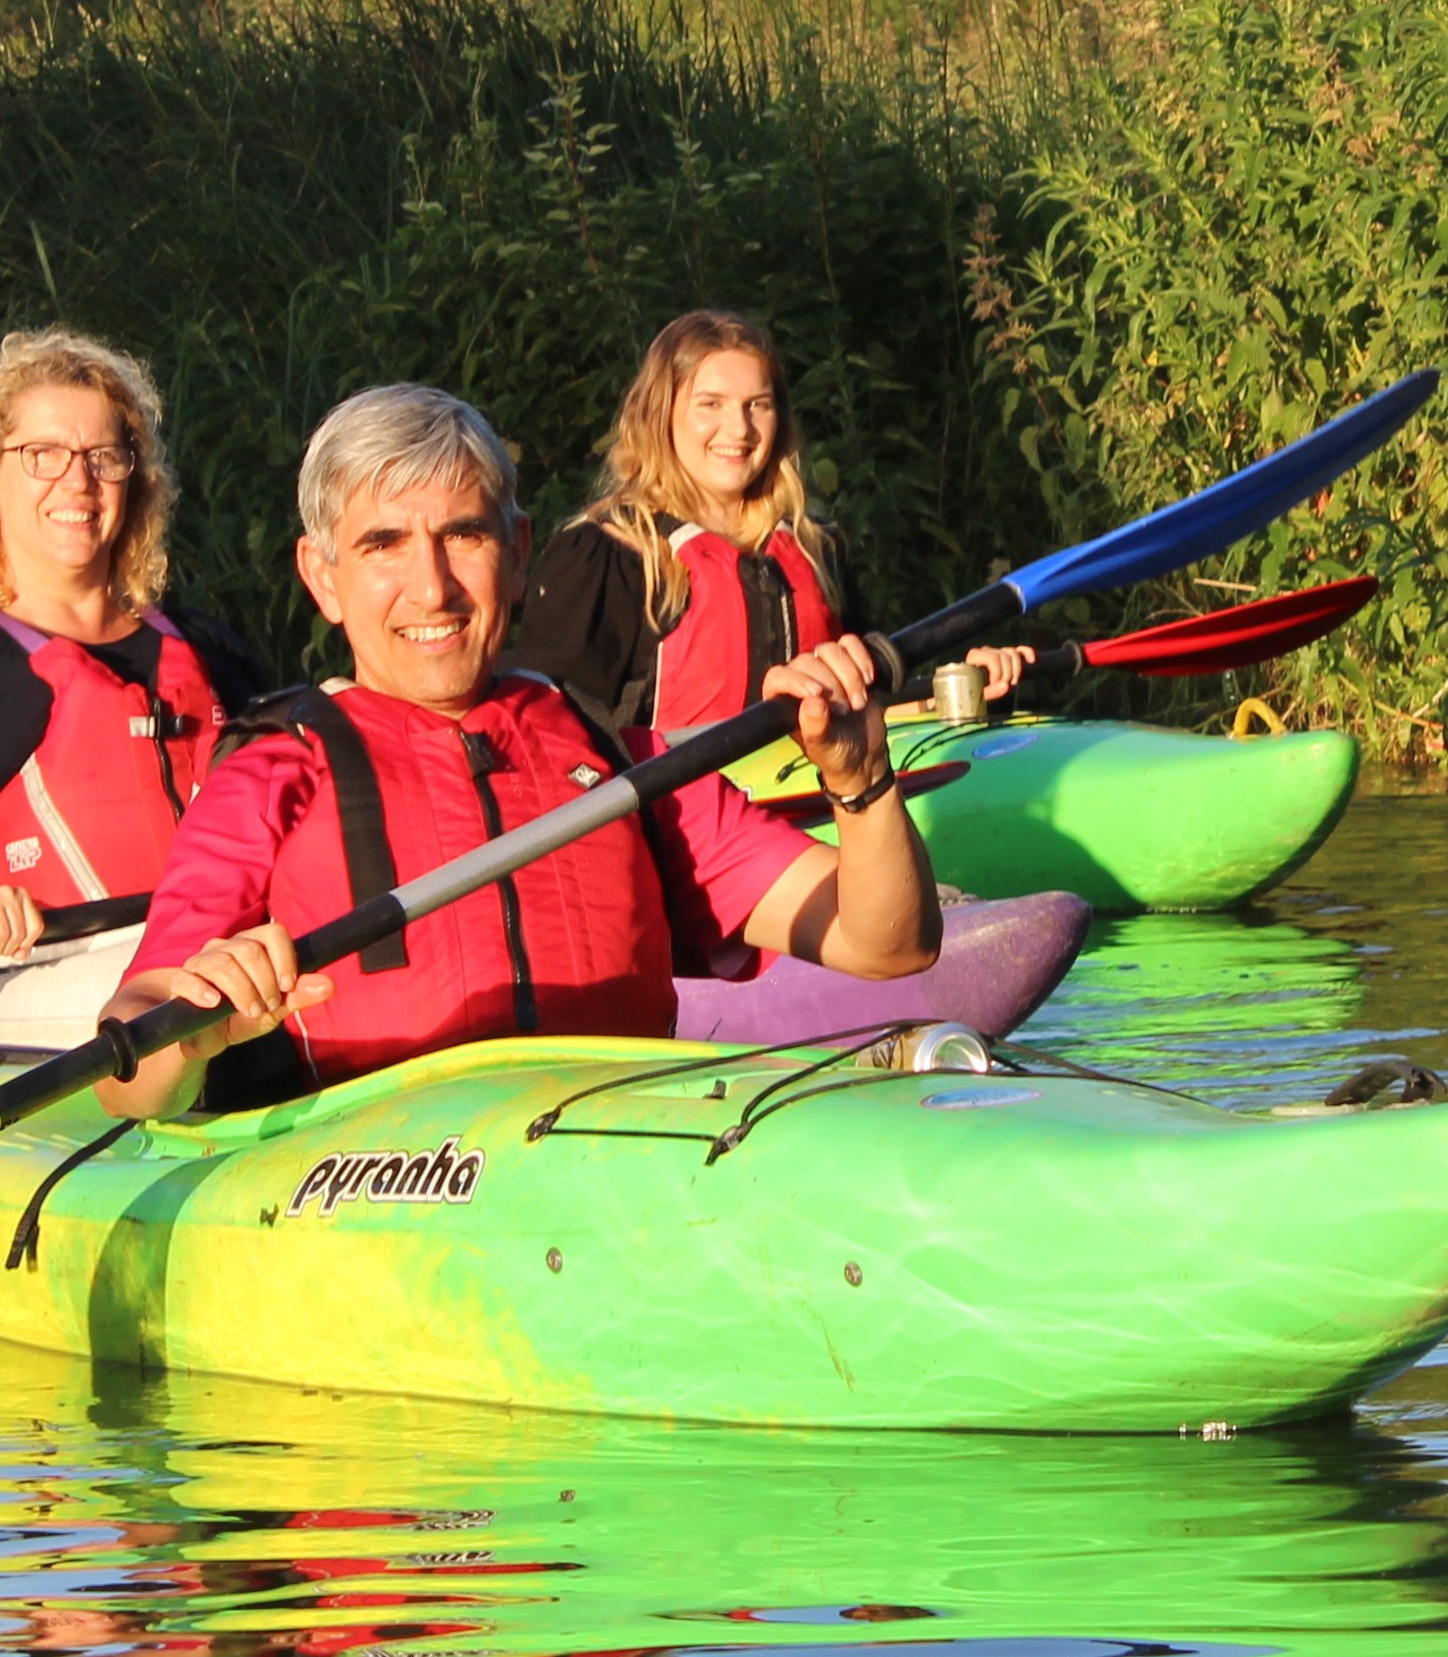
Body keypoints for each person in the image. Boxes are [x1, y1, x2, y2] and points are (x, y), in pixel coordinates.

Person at [95, 383, 940, 1120]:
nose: (432, 587)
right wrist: (196, 1024)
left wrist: (862, 782)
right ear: (322, 576)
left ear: (519, 550)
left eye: (464, 535)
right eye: (384, 545)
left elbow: (887, 943)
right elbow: (127, 1065)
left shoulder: (618, 758)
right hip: (389, 1183)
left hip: (621, 1156)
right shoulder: (275, 770)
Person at [0, 329, 268, 955]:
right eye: (43, 454)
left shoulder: (208, 649)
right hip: (44, 979)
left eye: (103, 457)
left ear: (133, 481)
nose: (78, 481)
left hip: (226, 963)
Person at [508, 308, 1031, 731]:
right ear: (659, 413)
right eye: (710, 404)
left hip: (821, 807)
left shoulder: (816, 549)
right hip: (680, 822)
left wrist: (961, 690)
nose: (739, 428)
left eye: (757, 404)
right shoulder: (608, 556)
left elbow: (871, 709)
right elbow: (547, 738)